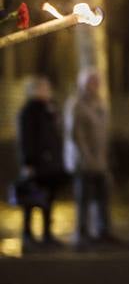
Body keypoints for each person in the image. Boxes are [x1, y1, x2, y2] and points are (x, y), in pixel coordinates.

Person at [64, 69, 115, 247]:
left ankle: (103, 231)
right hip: (83, 161)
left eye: (97, 81)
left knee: (102, 196)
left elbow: (102, 132)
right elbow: (76, 135)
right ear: (83, 84)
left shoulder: (99, 103)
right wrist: (87, 157)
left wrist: (103, 157)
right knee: (83, 198)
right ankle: (81, 233)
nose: (95, 85)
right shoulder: (77, 104)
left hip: (100, 160)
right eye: (92, 82)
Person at [16, 76, 66, 251]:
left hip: (51, 164)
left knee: (48, 199)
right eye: (43, 88)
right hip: (36, 164)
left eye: (47, 88)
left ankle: (47, 233)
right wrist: (28, 162)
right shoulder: (28, 111)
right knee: (30, 200)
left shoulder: (50, 109)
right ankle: (27, 234)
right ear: (34, 90)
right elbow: (26, 139)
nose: (47, 91)